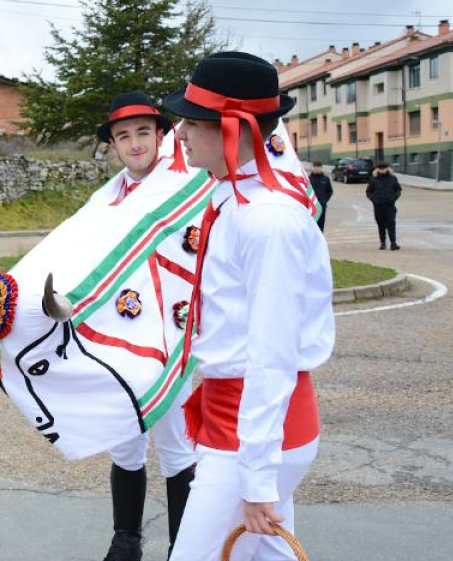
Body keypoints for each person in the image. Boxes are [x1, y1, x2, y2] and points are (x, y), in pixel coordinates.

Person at [164, 52, 335, 561]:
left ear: (233, 129)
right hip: (243, 423)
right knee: (266, 555)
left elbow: (272, 354)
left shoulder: (267, 222)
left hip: (254, 431)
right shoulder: (236, 202)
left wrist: (258, 477)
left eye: (193, 122)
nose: (180, 133)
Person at [95, 92, 198, 561]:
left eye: (142, 133)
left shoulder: (189, 189)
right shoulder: (105, 201)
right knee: (125, 444)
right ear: (113, 146)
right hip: (121, 341)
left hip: (174, 339)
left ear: (161, 135)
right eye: (123, 136)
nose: (134, 144)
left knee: (177, 446)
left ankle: (184, 546)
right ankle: (126, 541)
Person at [366, 163, 402, 250]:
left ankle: (393, 243)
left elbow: (398, 189)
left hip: (390, 206)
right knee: (381, 224)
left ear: (388, 169)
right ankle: (383, 243)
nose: (382, 170)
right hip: (378, 206)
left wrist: (394, 198)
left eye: (384, 168)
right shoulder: (373, 180)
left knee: (391, 224)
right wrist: (374, 200)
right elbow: (368, 192)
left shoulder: (393, 179)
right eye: (380, 168)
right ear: (377, 169)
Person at [307, 162, 333, 232]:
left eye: (318, 166)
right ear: (313, 167)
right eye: (315, 166)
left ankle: (320, 240)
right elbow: (305, 191)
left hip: (321, 206)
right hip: (311, 207)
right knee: (311, 226)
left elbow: (330, 191)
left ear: (321, 168)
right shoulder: (308, 179)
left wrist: (324, 200)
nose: (317, 168)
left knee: (320, 226)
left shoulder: (326, 179)